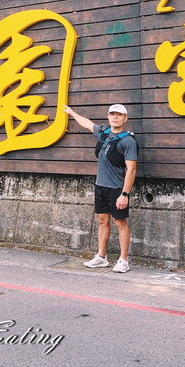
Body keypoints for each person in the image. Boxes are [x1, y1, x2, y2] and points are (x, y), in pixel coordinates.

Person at [63, 103, 138, 272]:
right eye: (112, 114)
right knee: (102, 221)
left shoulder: (128, 141)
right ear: (108, 116)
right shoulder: (104, 132)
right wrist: (72, 112)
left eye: (119, 115)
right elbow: (87, 123)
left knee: (120, 222)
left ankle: (123, 261)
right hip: (100, 186)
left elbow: (132, 169)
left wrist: (124, 194)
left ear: (125, 118)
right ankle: (101, 257)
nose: (115, 117)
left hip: (117, 189)